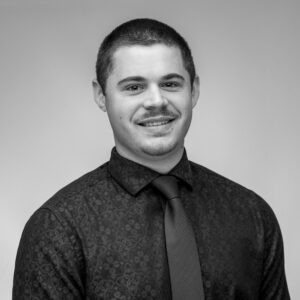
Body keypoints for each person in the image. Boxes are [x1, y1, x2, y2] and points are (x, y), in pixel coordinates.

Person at [13, 18, 290, 300]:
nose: (156, 101)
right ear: (101, 96)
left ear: (193, 90)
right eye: (134, 87)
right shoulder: (57, 229)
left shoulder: (252, 215)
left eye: (170, 83)